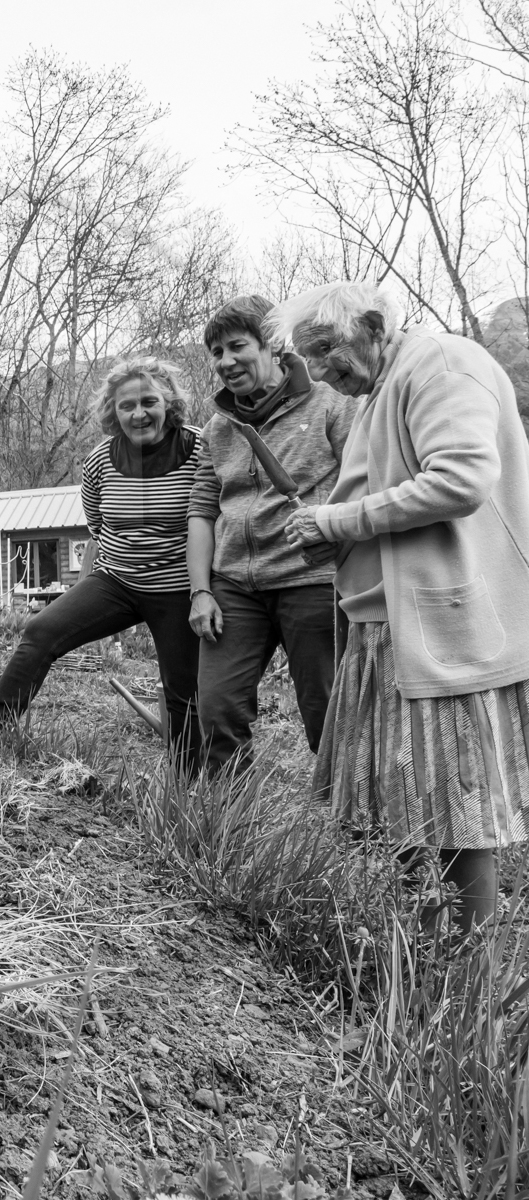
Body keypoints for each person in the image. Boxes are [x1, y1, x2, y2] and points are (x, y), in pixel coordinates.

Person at [276, 281, 529, 933]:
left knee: (455, 811)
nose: (323, 369)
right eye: (312, 357)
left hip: (440, 627)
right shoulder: (380, 390)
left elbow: (460, 481)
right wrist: (328, 538)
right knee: (410, 808)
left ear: (373, 324)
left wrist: (334, 522)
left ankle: (467, 988)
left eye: (329, 348)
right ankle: (428, 950)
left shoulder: (442, 363)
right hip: (385, 630)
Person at [0, 356, 202, 772]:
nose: (139, 413)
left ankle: (190, 780)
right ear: (113, 411)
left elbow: (212, 518)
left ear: (168, 402)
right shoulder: (100, 459)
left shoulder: (197, 448)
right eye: (126, 405)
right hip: (116, 582)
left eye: (148, 401)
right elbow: (98, 524)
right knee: (40, 630)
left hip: (177, 587)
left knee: (182, 688)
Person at [187, 295, 356, 774]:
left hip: (312, 580)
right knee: (218, 708)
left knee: (327, 715)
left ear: (273, 346)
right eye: (216, 353)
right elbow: (201, 510)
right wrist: (201, 591)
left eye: (237, 346)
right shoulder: (219, 427)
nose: (225, 362)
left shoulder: (332, 403)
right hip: (234, 587)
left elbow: (363, 482)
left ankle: (362, 835)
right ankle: (229, 829)